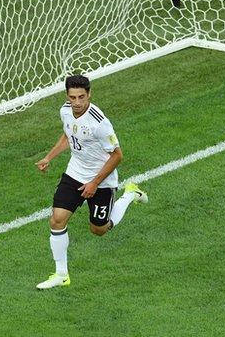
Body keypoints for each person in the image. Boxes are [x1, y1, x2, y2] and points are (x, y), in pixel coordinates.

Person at [35, 75, 148, 289]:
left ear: (89, 94)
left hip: (101, 180)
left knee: (99, 230)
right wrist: (49, 157)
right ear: (67, 96)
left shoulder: (100, 123)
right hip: (75, 172)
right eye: (72, 97)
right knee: (57, 219)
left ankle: (129, 195)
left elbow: (117, 155)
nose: (77, 102)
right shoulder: (65, 110)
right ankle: (62, 275)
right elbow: (69, 135)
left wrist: (95, 183)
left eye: (81, 97)